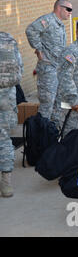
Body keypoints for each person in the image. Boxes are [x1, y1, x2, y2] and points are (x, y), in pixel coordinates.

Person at [26, 0, 72, 119]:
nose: (70, 12)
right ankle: (43, 134)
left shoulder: (59, 24)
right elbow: (30, 30)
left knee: (58, 103)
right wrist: (38, 48)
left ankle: (54, 133)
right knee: (47, 103)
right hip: (47, 68)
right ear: (59, 8)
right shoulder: (48, 20)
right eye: (68, 9)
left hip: (57, 68)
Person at [51, 18, 78, 137]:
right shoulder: (70, 52)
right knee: (72, 138)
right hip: (73, 106)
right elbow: (65, 78)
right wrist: (73, 100)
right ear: (77, 33)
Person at [0, 32, 23, 198]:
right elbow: (19, 67)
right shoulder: (8, 39)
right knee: (5, 138)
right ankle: (6, 183)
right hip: (7, 95)